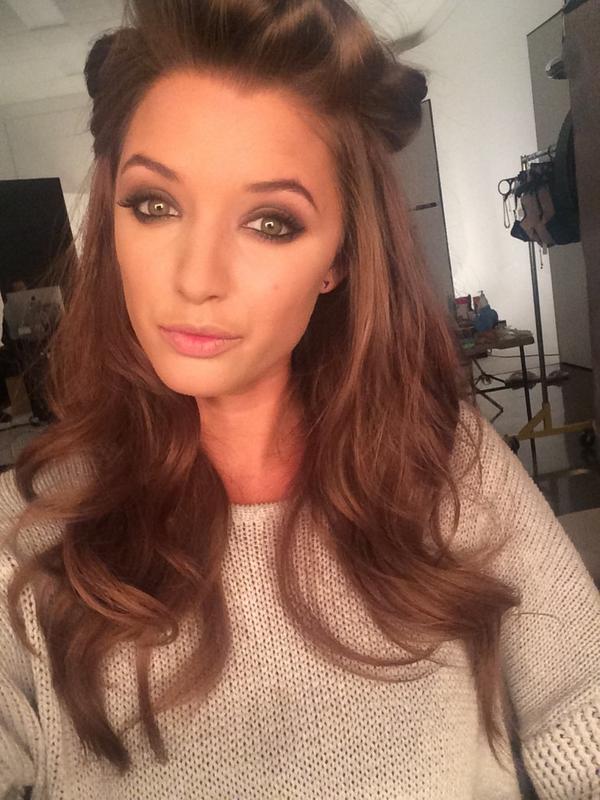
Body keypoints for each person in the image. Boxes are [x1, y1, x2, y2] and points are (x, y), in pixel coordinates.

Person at [0, 1, 598, 798]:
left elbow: (584, 724)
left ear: (338, 259)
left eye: (271, 222)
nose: (196, 278)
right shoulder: (29, 533)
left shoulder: (447, 465)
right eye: (155, 204)